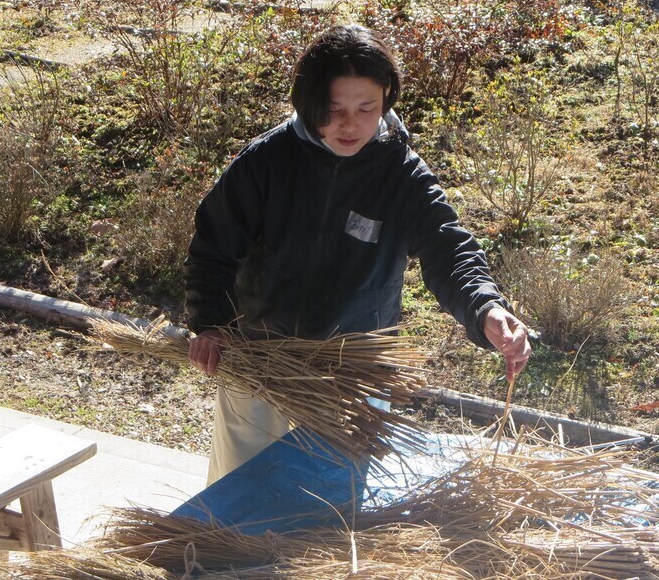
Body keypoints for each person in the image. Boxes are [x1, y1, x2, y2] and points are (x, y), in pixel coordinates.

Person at [184, 24, 532, 485]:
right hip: (260, 355)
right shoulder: (267, 162)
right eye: (333, 110)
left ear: (387, 99)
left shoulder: (401, 174)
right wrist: (210, 322)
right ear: (306, 101)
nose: (349, 124)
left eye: (366, 108)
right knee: (242, 488)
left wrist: (485, 308)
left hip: (355, 366)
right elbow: (213, 245)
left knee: (336, 494)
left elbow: (447, 246)